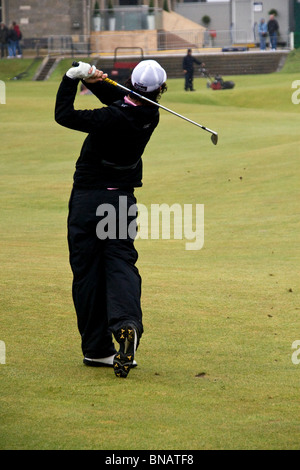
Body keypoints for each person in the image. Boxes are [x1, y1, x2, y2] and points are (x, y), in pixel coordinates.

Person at [55, 60, 167, 378]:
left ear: (131, 82)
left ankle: (97, 349)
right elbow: (121, 98)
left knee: (87, 273)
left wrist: (70, 79)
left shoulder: (110, 117)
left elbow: (64, 115)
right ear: (160, 90)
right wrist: (92, 78)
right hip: (120, 200)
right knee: (120, 264)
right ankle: (126, 325)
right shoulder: (150, 114)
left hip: (88, 200)